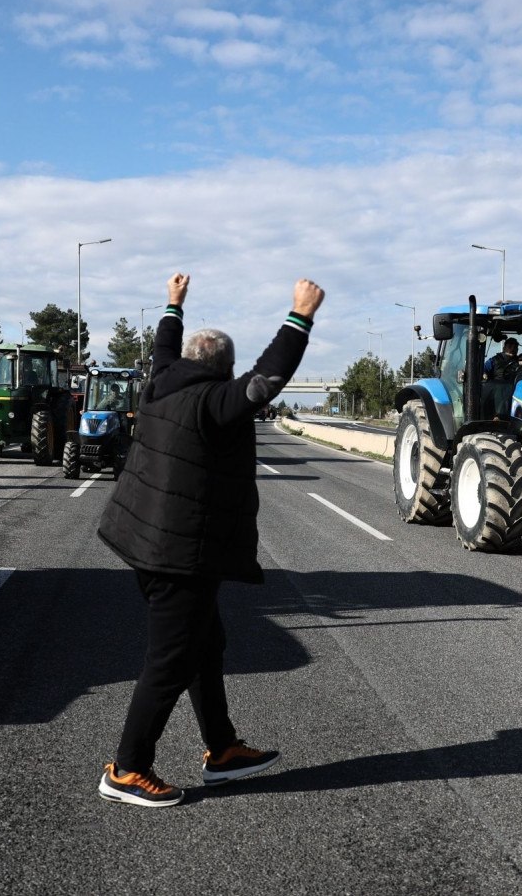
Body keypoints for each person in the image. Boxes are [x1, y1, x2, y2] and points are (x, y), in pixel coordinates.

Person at [96, 272, 325, 808]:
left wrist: (173, 304)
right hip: (178, 555)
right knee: (170, 660)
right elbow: (264, 382)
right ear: (221, 369)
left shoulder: (160, 384)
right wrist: (300, 316)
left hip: (149, 544)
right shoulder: (214, 402)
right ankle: (127, 769)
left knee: (206, 645)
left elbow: (162, 348)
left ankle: (221, 750)